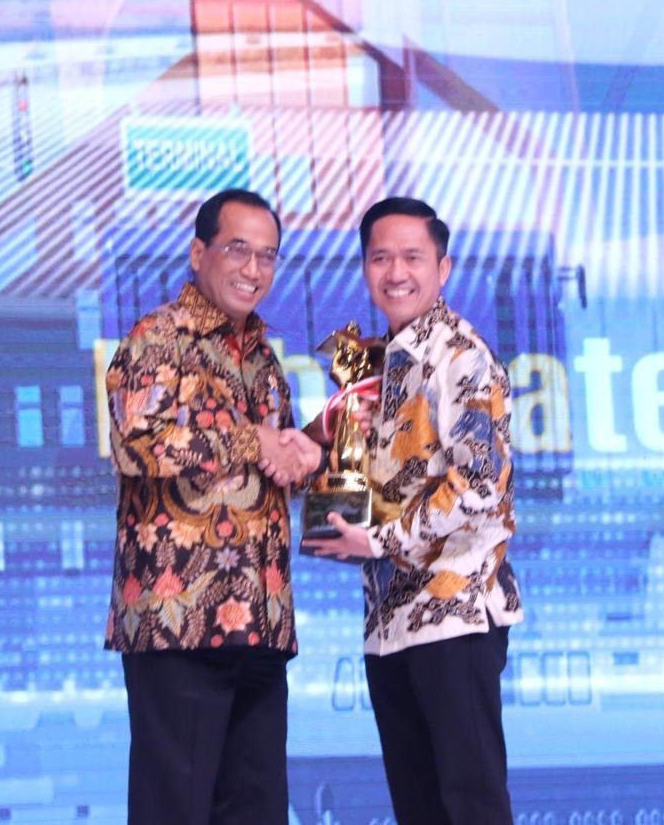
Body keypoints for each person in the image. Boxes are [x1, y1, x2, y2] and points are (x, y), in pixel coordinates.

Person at [103, 188, 323, 825]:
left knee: (257, 811)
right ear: (199, 253)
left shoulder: (264, 359)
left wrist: (308, 456)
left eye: (267, 256)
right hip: (180, 624)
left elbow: (267, 473)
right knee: (173, 810)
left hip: (262, 623)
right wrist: (252, 441)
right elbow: (134, 442)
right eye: (237, 250)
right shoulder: (158, 336)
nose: (253, 269)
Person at [305, 196, 523, 825]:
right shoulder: (375, 364)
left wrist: (379, 541)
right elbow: (356, 468)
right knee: (419, 809)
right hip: (390, 620)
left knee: (471, 806)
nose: (395, 272)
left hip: (454, 614)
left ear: (442, 268)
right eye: (381, 258)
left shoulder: (461, 356)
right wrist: (308, 451)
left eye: (412, 257)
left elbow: (480, 482)